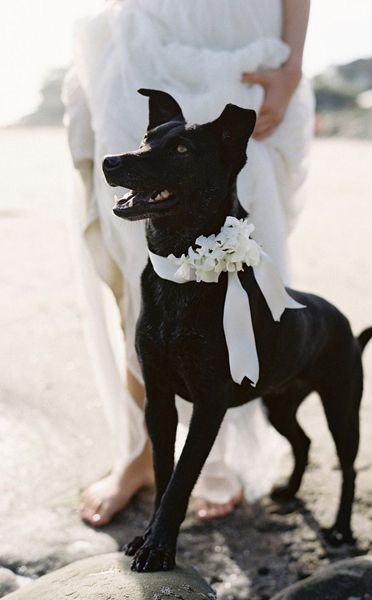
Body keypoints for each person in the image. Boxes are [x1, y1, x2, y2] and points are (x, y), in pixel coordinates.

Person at [63, 0, 314, 526]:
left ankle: (212, 461)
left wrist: (290, 68)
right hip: (144, 35)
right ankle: (141, 451)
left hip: (238, 36)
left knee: (240, 250)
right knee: (132, 255)